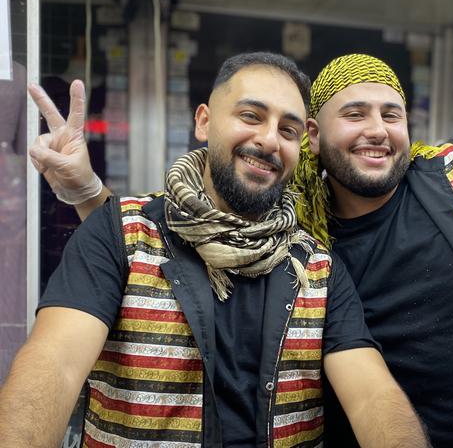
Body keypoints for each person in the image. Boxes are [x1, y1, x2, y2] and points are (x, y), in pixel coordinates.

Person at [25, 0, 453, 448]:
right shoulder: (302, 238)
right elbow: (158, 250)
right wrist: (86, 194)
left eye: (392, 114)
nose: (377, 130)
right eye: (355, 113)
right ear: (317, 137)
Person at [0, 53, 430, 447]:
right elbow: (54, 365)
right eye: (250, 115)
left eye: (288, 129)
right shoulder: (121, 232)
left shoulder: (316, 268)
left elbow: (373, 397)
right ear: (204, 122)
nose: (268, 140)